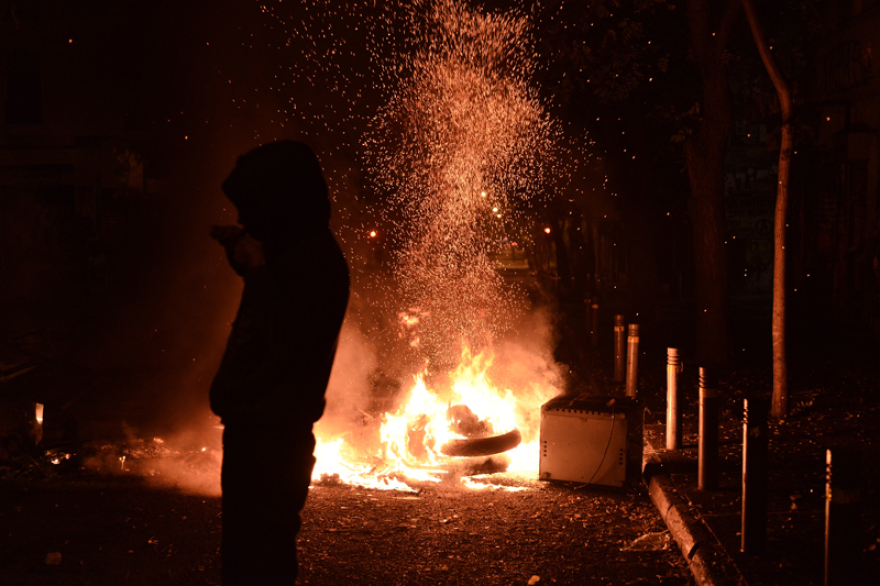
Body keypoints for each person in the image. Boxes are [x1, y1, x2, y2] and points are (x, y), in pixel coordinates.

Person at [209, 140, 350, 584]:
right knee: (249, 557)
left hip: (272, 438)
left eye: (254, 208)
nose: (246, 220)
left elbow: (289, 338)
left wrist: (258, 271)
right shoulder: (293, 254)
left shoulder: (312, 261)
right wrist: (248, 261)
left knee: (259, 563)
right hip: (259, 432)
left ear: (281, 201)